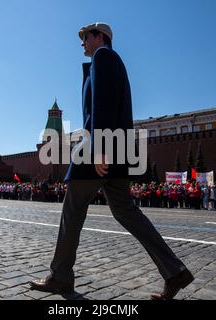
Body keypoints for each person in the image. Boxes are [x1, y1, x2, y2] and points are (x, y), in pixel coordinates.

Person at [29, 22, 194, 300]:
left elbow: (102, 104)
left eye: (85, 37)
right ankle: (174, 272)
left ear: (99, 37)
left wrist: (98, 150)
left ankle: (60, 277)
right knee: (125, 211)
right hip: (116, 149)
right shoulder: (109, 60)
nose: (82, 42)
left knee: (73, 208)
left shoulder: (103, 57)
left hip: (101, 147)